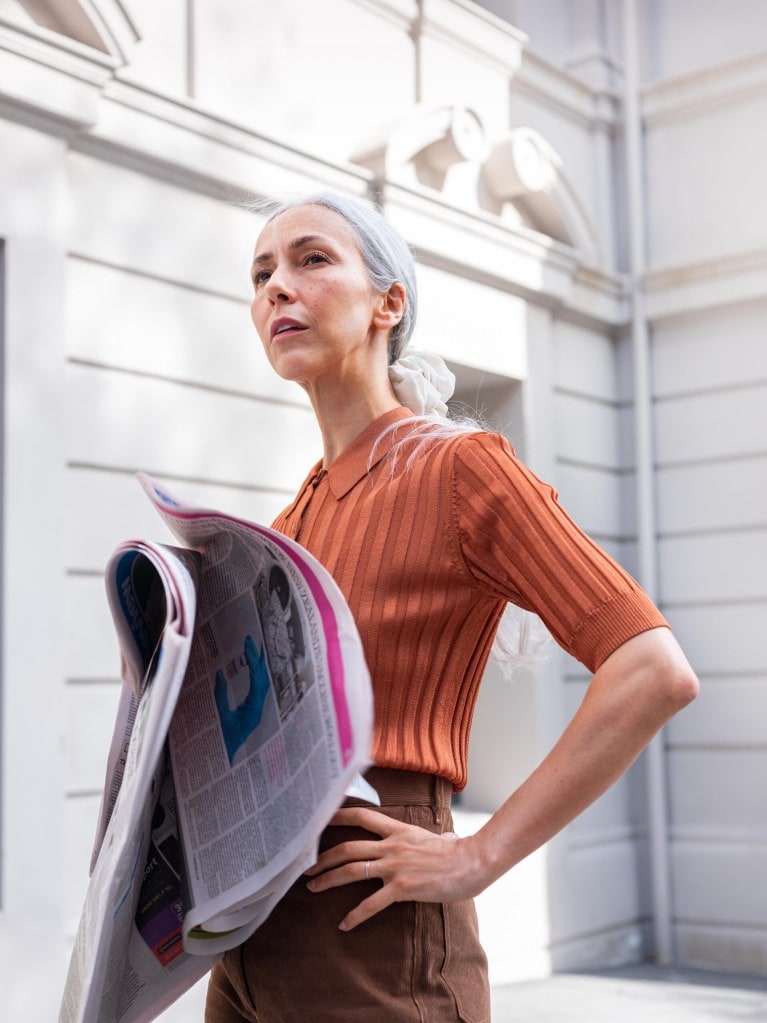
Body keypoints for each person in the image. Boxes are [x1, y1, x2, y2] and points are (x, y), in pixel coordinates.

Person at [204, 193, 699, 1022]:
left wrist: (480, 854)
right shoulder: (286, 524)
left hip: (375, 921)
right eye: (261, 275)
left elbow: (651, 670)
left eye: (310, 259)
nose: (277, 288)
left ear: (387, 303)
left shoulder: (461, 469)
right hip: (247, 927)